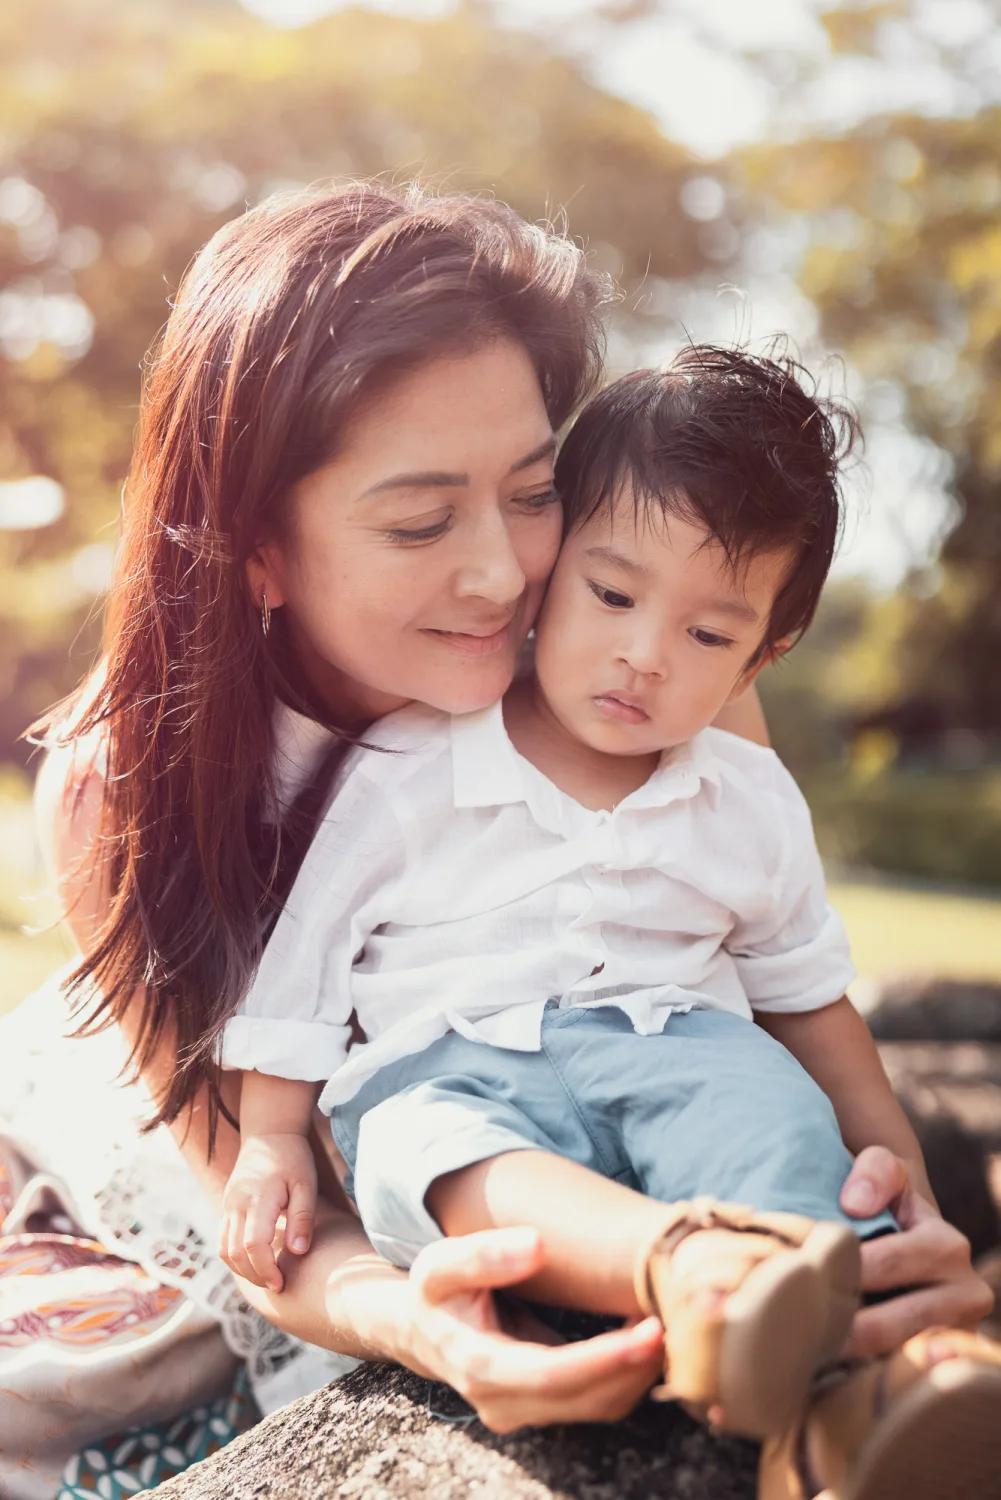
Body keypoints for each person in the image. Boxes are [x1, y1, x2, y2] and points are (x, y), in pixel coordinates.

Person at [12, 181, 991, 1480]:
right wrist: (428, 1329)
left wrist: (886, 1215)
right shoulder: (122, 788)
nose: (500, 575)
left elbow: (749, 993)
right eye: (419, 520)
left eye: (531, 493)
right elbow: (279, 1242)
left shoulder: (629, 636)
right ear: (255, 548)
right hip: (272, 1152)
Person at [214, 347, 939, 1448]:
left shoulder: (743, 796)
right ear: (546, 579)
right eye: (610, 594)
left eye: (707, 635)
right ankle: (690, 1276)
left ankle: (861, 1390)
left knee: (772, 1124)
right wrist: (269, 1137)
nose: (644, 655)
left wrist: (894, 1172)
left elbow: (809, 1005)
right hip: (449, 1064)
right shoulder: (409, 768)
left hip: (680, 1042)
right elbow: (308, 958)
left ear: (762, 655)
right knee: (454, 1158)